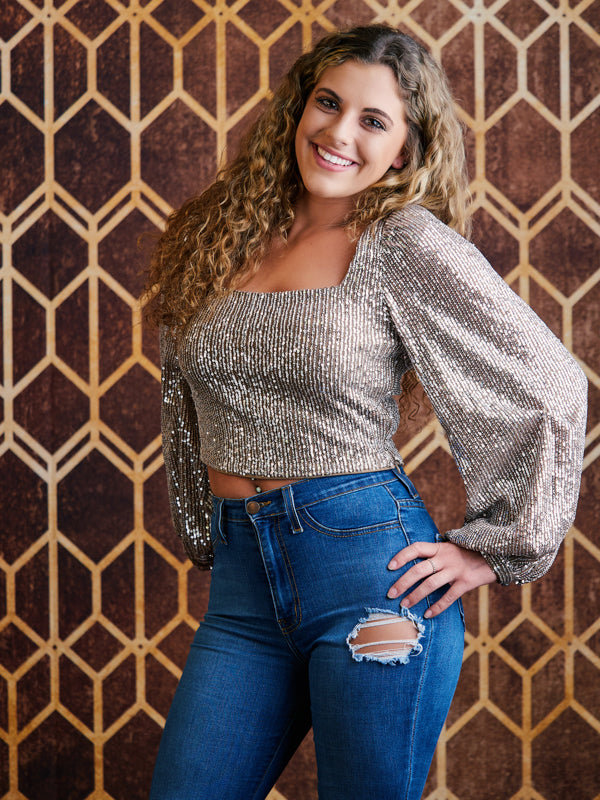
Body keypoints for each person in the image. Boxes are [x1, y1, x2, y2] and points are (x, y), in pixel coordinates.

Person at [144, 24, 587, 800]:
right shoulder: (220, 232)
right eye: (328, 103)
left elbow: (552, 382)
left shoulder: (400, 242)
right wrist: (203, 525)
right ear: (298, 109)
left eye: (374, 120)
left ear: (405, 150)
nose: (339, 133)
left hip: (371, 580)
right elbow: (181, 395)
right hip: (243, 592)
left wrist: (494, 550)